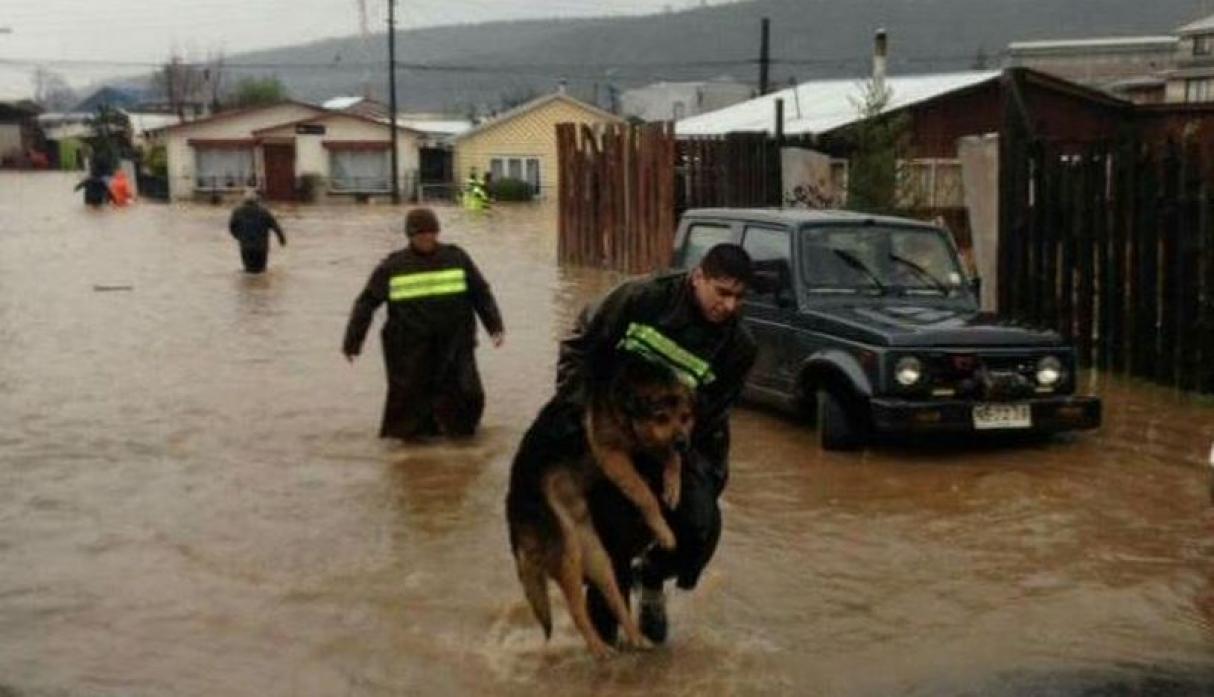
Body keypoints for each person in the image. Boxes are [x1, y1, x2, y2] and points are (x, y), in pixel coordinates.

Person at [513, 243, 757, 645]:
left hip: (679, 444)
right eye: (722, 292)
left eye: (739, 297)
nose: (729, 306)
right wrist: (584, 419)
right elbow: (580, 350)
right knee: (611, 537)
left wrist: (674, 457)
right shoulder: (641, 299)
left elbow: (711, 414)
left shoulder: (739, 347)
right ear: (698, 278)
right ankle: (607, 660)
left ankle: (653, 578)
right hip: (611, 431)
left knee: (699, 529)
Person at [342, 207, 505, 440]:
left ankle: (463, 440)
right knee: (410, 405)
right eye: (421, 234)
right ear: (410, 236)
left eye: (432, 233)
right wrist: (353, 343)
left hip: (455, 342)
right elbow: (366, 304)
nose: (428, 238)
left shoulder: (456, 258)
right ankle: (411, 455)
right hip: (408, 348)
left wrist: (495, 326)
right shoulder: (393, 266)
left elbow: (480, 292)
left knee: (469, 394)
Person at [228, 188, 286, 274]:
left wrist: (239, 237)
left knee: (248, 271)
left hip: (246, 247)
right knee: (261, 271)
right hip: (261, 247)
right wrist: (281, 239)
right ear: (257, 200)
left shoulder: (237, 212)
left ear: (244, 201)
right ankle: (260, 286)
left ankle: (249, 286)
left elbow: (232, 227)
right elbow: (275, 226)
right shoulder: (264, 212)